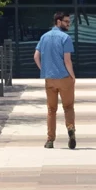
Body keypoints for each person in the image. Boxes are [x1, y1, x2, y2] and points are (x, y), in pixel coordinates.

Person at [33, 11, 77, 150]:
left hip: (50, 79)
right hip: (64, 78)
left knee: (51, 110)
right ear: (58, 21)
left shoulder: (44, 37)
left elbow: (36, 56)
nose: (68, 24)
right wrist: (72, 76)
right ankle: (70, 129)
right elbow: (67, 61)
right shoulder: (65, 38)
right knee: (68, 107)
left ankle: (50, 140)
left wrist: (44, 69)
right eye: (66, 22)